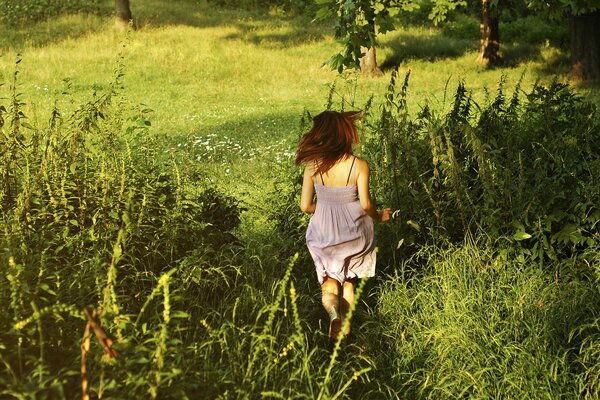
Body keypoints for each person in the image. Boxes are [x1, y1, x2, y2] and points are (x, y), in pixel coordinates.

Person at [295, 110, 391, 341]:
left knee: (329, 283)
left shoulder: (312, 165)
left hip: (324, 233)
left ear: (322, 135)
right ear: (344, 135)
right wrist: (380, 216)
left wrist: (327, 208)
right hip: (354, 232)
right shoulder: (359, 165)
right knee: (348, 282)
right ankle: (345, 337)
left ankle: (333, 314)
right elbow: (366, 204)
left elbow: (306, 206)